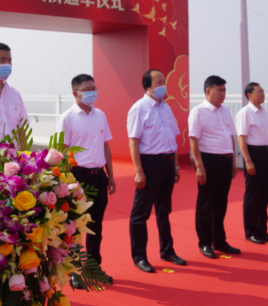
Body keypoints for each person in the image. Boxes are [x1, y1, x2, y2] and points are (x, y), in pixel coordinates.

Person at [55, 74, 116, 287]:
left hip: (99, 176)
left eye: (94, 88)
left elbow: (106, 147)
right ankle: (74, 272)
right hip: (77, 177)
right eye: (87, 89)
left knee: (95, 226)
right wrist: (66, 184)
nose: (92, 92)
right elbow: (61, 152)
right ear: (75, 93)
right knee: (74, 227)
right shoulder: (67, 118)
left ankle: (93, 268)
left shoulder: (101, 115)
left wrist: (111, 176)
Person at [127, 69, 185, 273]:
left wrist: (175, 165)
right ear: (148, 86)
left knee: (164, 210)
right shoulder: (139, 108)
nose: (163, 85)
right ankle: (139, 256)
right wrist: (138, 171)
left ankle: (167, 251)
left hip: (167, 163)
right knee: (140, 213)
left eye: (164, 81)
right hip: (149, 163)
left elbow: (173, 139)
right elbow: (133, 142)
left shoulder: (166, 108)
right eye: (159, 82)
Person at [189, 75, 240, 259]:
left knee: (220, 202)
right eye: (219, 90)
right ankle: (205, 243)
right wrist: (199, 166)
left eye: (224, 90)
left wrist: (233, 161)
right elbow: (193, 139)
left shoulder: (225, 110)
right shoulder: (198, 112)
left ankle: (219, 240)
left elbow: (230, 136)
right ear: (208, 91)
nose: (223, 94)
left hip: (225, 160)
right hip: (208, 160)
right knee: (206, 203)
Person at [236, 82, 268, 245]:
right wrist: (248, 161)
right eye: (258, 91)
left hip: (266, 153)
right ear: (249, 95)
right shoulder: (245, 113)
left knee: (264, 194)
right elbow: (241, 138)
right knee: (253, 194)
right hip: (254, 154)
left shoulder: (263, 112)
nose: (262, 94)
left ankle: (262, 230)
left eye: (262, 91)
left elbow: (265, 136)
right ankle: (251, 231)